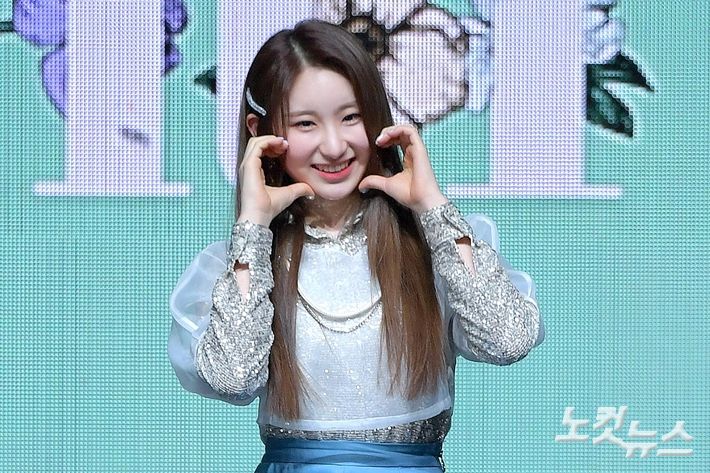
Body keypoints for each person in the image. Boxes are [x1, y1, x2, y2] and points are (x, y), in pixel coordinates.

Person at [168, 19, 544, 472]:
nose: (334, 146)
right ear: (261, 132)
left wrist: (432, 206)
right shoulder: (239, 268)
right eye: (306, 124)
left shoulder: (436, 246)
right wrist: (252, 228)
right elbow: (233, 379)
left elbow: (507, 341)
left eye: (351, 117)